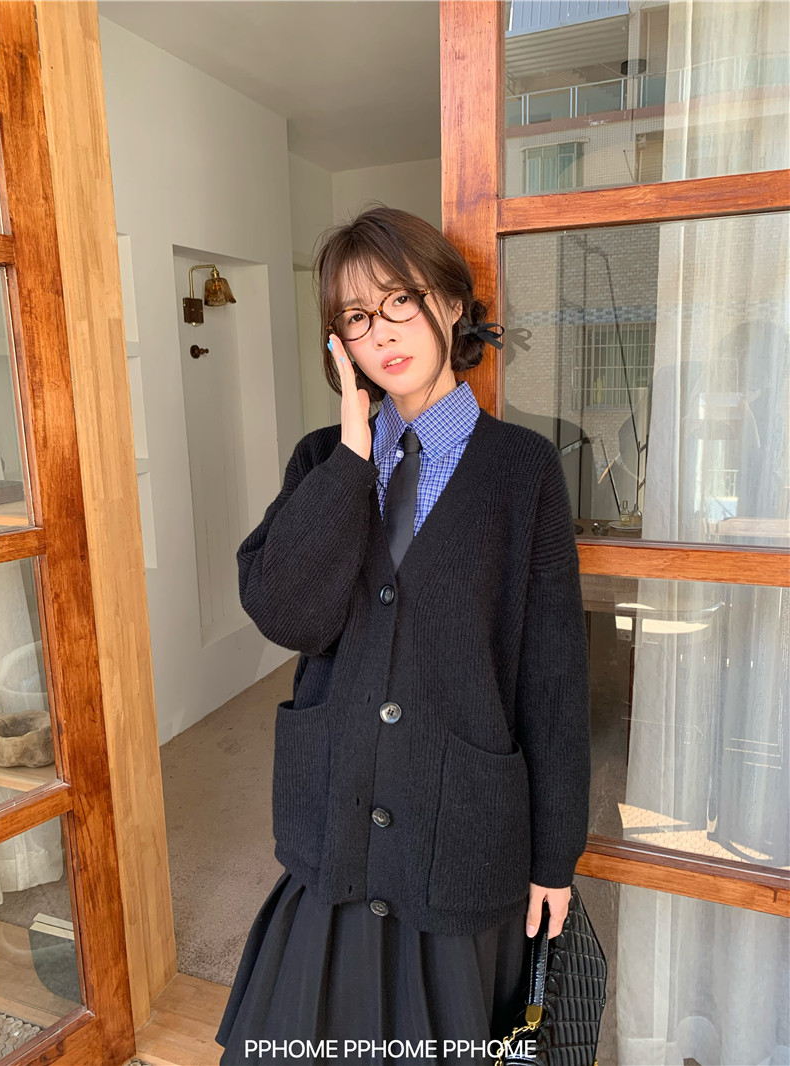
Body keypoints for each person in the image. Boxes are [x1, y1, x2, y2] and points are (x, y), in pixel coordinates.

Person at [215, 205, 591, 1066]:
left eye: (399, 302)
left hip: (460, 832)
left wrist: (555, 855)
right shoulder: (322, 460)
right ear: (337, 342)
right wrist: (355, 458)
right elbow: (288, 614)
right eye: (355, 316)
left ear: (451, 305)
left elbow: (553, 677)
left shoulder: (522, 469)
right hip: (336, 815)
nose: (381, 332)